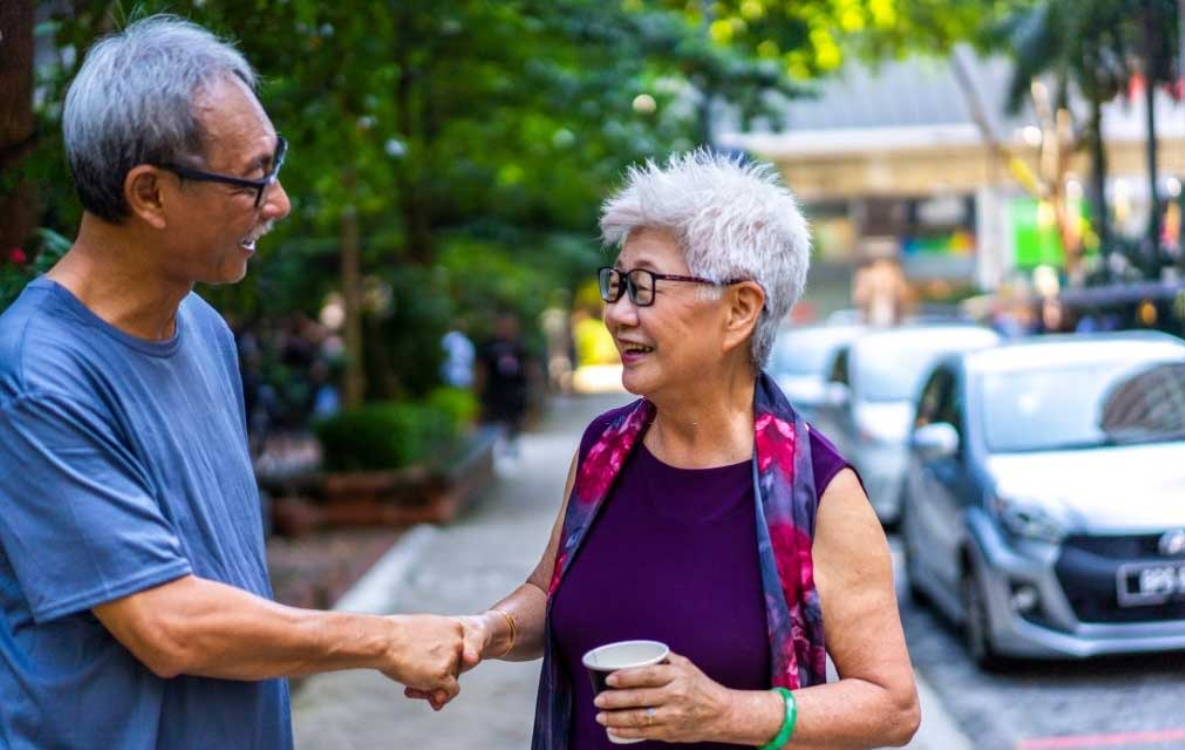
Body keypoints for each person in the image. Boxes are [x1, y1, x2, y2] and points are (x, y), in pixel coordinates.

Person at [0, 17, 467, 750]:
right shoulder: (37, 376)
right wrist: (380, 637)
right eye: (253, 179)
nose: (278, 203)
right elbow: (166, 624)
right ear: (149, 195)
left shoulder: (204, 329)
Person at [410, 152, 921, 748]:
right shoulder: (605, 449)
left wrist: (726, 713)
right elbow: (548, 598)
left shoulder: (817, 490)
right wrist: (483, 632)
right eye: (617, 283)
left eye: (644, 287)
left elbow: (892, 706)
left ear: (739, 310)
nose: (616, 313)